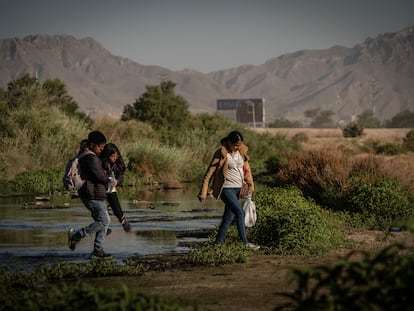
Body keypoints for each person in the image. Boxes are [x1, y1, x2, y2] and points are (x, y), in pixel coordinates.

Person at [198, 130, 259, 250]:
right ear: (229, 142)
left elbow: (247, 171)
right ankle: (245, 243)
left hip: (238, 189)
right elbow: (209, 174)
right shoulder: (221, 153)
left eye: (239, 144)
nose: (237, 147)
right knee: (240, 213)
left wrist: (251, 186)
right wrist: (203, 192)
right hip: (226, 189)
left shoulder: (241, 152)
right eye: (235, 145)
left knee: (227, 220)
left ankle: (216, 246)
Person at [67, 131, 113, 259]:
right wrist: (110, 179)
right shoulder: (90, 158)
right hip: (91, 193)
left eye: (103, 146)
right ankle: (77, 235)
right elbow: (99, 175)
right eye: (99, 146)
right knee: (104, 221)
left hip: (95, 193)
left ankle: (98, 251)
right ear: (92, 145)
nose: (101, 149)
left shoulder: (89, 155)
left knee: (104, 221)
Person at [100, 143, 131, 232]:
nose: (115, 158)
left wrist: (116, 181)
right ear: (107, 156)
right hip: (100, 188)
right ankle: (104, 228)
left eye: (116, 155)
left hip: (111, 188)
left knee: (116, 206)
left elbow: (121, 176)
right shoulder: (100, 163)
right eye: (112, 156)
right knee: (102, 210)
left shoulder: (118, 164)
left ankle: (123, 221)